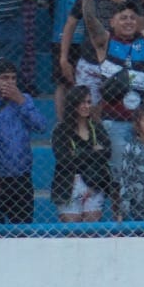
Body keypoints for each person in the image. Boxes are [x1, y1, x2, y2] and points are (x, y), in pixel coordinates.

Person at [0, 59, 47, 224]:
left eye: (13, 78)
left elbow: (41, 126)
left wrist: (21, 101)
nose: (10, 82)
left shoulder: (24, 99)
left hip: (21, 177)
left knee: (23, 229)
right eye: (5, 78)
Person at [51, 85, 112, 224]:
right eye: (82, 102)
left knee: (91, 235)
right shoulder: (60, 130)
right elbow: (64, 160)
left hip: (94, 182)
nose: (86, 106)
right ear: (73, 104)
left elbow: (107, 153)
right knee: (72, 235)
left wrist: (77, 153)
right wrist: (94, 152)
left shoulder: (97, 127)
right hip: (69, 184)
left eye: (89, 102)